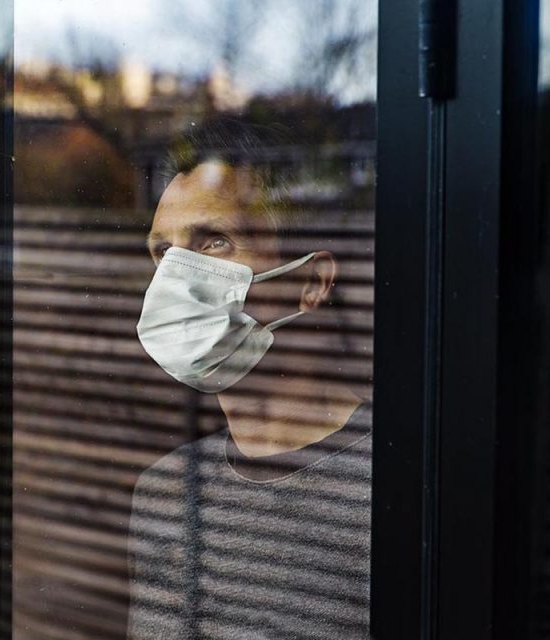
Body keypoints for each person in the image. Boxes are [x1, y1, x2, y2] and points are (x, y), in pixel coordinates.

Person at [127, 123, 372, 639]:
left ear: (311, 283)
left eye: (214, 241)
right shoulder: (164, 493)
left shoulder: (395, 488)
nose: (175, 278)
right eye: (163, 253)